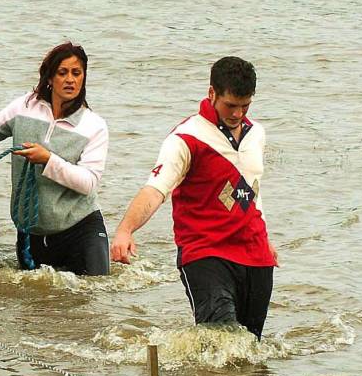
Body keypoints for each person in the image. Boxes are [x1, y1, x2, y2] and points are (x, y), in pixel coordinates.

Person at [110, 56, 277, 338]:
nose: (237, 113)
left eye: (245, 105)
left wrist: (267, 241)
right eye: (230, 105)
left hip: (255, 255)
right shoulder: (186, 138)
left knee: (249, 348)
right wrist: (125, 230)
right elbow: (155, 189)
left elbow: (252, 190)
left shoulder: (256, 134)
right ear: (211, 93)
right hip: (205, 253)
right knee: (221, 339)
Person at [0, 41, 110, 275]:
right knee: (35, 307)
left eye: (77, 73)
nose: (70, 80)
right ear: (49, 77)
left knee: (94, 293)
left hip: (82, 230)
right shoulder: (25, 106)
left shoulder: (94, 126)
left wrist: (48, 160)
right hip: (31, 233)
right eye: (62, 73)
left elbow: (88, 182)